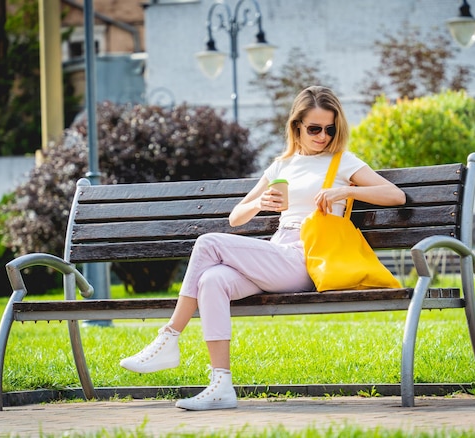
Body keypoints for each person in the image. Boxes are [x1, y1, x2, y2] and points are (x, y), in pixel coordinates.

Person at [119, 85, 406, 411]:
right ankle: (221, 385)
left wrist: (345, 193)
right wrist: (260, 202)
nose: (322, 136)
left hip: (306, 257)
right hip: (277, 250)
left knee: (207, 242)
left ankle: (169, 336)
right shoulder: (282, 166)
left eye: (330, 128)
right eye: (314, 128)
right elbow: (236, 217)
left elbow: (395, 195)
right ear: (297, 126)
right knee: (212, 280)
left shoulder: (343, 162)